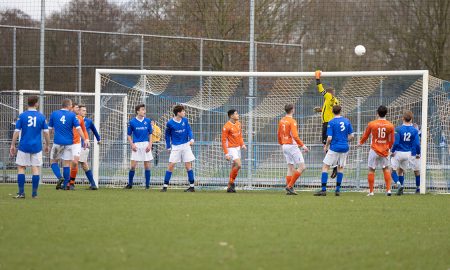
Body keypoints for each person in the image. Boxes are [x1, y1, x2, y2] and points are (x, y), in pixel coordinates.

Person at [9, 96, 50, 198]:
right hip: (37, 147)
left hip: (24, 146)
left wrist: (13, 144)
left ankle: (21, 193)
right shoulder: (41, 117)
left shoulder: (22, 116)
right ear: (36, 103)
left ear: (28, 103)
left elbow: (16, 131)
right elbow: (46, 133)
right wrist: (47, 144)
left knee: (21, 168)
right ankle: (34, 194)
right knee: (35, 168)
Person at [315, 105, 354, 196]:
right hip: (344, 147)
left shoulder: (331, 122)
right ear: (341, 111)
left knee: (325, 167)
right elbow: (352, 136)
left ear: (332, 111)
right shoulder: (346, 121)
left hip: (334, 147)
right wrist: (344, 140)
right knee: (340, 168)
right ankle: (337, 190)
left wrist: (326, 146)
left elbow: (329, 138)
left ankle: (324, 190)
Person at [48, 99, 87, 190]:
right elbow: (78, 128)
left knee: (53, 162)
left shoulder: (54, 114)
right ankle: (66, 185)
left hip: (58, 142)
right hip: (69, 143)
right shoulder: (72, 115)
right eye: (71, 105)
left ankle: (59, 177)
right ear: (69, 105)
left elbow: (49, 129)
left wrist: (47, 142)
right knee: (66, 164)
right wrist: (84, 139)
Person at [358, 105, 395, 196]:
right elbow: (392, 140)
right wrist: (389, 148)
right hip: (385, 150)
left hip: (374, 150)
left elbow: (365, 136)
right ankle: (388, 190)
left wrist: (360, 143)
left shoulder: (372, 124)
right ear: (386, 113)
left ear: (377, 113)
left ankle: (371, 192)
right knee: (386, 169)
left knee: (371, 169)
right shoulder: (390, 125)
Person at [161, 105, 196, 192]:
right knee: (171, 165)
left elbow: (189, 130)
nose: (184, 113)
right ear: (178, 113)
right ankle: (165, 186)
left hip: (186, 146)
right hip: (176, 147)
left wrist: (191, 139)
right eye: (183, 111)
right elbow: (167, 135)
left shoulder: (185, 120)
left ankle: (192, 187)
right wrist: (168, 147)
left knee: (188, 166)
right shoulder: (170, 123)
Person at [314, 70, 340, 179]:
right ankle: (335, 166)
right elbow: (332, 110)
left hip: (327, 124)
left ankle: (334, 167)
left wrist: (317, 78)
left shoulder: (328, 96)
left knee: (326, 146)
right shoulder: (336, 101)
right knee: (330, 146)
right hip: (333, 124)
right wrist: (321, 110)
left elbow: (320, 89)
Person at [277, 104, 309, 195]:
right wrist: (303, 146)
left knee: (290, 168)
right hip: (292, 146)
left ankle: (289, 189)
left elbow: (279, 134)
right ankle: (290, 186)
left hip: (284, 146)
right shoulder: (292, 121)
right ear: (292, 110)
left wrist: (281, 143)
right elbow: (295, 136)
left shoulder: (282, 120)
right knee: (302, 167)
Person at [69, 104, 100, 190]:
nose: (85, 112)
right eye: (83, 110)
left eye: (85, 110)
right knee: (81, 164)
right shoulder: (74, 119)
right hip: (75, 145)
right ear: (78, 111)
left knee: (79, 163)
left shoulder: (88, 121)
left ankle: (71, 184)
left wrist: (99, 139)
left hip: (83, 146)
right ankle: (92, 184)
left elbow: (94, 130)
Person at [391, 111, 420, 195]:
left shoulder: (398, 129)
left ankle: (399, 185)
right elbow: (417, 144)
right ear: (411, 119)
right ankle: (416, 189)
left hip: (399, 152)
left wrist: (392, 151)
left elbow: (396, 143)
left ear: (402, 118)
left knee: (393, 171)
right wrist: (418, 153)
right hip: (409, 153)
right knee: (404, 171)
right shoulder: (414, 130)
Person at [124, 104, 153, 189]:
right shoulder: (132, 122)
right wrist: (132, 144)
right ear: (138, 111)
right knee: (133, 166)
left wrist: (150, 144)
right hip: (136, 145)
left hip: (145, 144)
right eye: (142, 109)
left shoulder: (147, 121)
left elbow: (150, 133)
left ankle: (147, 185)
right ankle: (130, 184)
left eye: (144, 109)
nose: (144, 111)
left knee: (147, 166)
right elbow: (129, 135)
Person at [221, 109, 246, 193]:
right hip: (231, 148)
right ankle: (231, 183)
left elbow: (240, 136)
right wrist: (226, 153)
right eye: (236, 114)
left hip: (237, 147)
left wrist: (242, 144)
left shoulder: (238, 124)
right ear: (231, 116)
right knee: (239, 165)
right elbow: (223, 141)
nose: (238, 115)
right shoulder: (226, 126)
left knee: (234, 167)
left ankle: (230, 186)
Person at [67, 103, 90, 190]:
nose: (77, 109)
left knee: (75, 163)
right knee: (67, 164)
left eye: (78, 108)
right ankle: (67, 182)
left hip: (76, 143)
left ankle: (72, 183)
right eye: (76, 108)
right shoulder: (68, 116)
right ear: (72, 108)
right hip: (67, 143)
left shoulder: (80, 118)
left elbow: (84, 130)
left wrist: (86, 139)